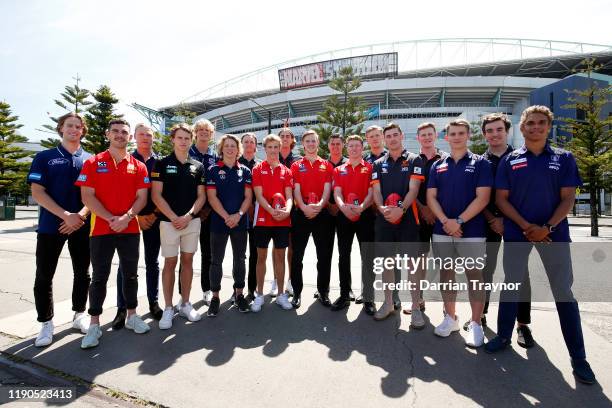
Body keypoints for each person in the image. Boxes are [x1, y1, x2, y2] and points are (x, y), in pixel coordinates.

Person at [485, 106, 596, 385]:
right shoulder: (511, 160)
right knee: (512, 284)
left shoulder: (564, 158)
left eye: (541, 123)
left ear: (548, 126)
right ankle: (503, 336)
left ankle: (579, 357)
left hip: (553, 234)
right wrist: (526, 227)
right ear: (522, 128)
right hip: (516, 232)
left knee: (563, 292)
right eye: (530, 123)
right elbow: (501, 200)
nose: (535, 127)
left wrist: (546, 228)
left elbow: (568, 198)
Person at [76, 119, 151, 349]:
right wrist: (111, 219)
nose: (120, 135)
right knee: (99, 277)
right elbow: (87, 197)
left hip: (129, 228)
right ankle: (95, 324)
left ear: (130, 137)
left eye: (124, 132)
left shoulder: (139, 166)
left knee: (130, 275)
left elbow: (142, 198)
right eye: (116, 132)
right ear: (108, 134)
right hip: (101, 229)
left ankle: (131, 316)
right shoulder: (93, 162)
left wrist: (126, 218)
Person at [28, 112, 92, 347]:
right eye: (69, 126)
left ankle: (79, 314)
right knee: (44, 275)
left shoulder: (91, 159)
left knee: (83, 273)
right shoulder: (44, 157)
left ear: (82, 131)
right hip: (50, 226)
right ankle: (46, 322)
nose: (74, 130)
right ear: (61, 129)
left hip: (81, 226)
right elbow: (37, 192)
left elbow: (94, 196)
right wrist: (66, 215)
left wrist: (80, 216)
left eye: (78, 126)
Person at [427, 119, 492, 347]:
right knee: (446, 274)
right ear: (447, 137)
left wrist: (460, 220)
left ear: (468, 135)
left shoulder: (481, 164)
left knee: (474, 276)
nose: (456, 137)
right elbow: (431, 198)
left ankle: (475, 323)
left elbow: (483, 197)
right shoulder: (438, 165)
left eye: (461, 133)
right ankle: (450, 318)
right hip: (442, 230)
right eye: (452, 133)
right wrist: (446, 221)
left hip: (471, 230)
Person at [477, 113, 532, 345]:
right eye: (489, 130)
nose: (494, 134)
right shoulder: (480, 161)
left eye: (499, 129)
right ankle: (480, 315)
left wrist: (511, 221)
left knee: (520, 274)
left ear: (507, 131)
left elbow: (526, 194)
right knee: (484, 272)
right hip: (488, 222)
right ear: (484, 134)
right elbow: (478, 196)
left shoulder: (522, 158)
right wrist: (492, 219)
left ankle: (523, 324)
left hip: (516, 224)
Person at [152, 124, 206, 329]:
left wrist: (189, 215)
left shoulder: (197, 166)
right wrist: (175, 217)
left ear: (190, 140)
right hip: (168, 222)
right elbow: (156, 195)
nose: (183, 141)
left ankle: (185, 303)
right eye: (180, 138)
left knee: (188, 261)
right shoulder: (162, 163)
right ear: (173, 139)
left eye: (186, 138)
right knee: (170, 263)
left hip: (191, 221)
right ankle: (168, 307)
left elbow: (201, 196)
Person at [371, 123, 424, 321]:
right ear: (385, 139)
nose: (392, 139)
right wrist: (383, 208)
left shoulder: (414, 159)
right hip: (385, 220)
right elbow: (376, 192)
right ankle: (388, 302)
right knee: (387, 264)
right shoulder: (378, 164)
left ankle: (416, 308)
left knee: (412, 265)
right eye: (389, 136)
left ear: (401, 136)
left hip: (408, 219)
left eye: (395, 135)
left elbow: (414, 189)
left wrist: (400, 209)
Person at [112, 124, 162, 330]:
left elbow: (165, 193)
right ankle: (122, 308)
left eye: (149, 135)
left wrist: (153, 215)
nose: (145, 138)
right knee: (126, 264)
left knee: (153, 262)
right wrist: (135, 216)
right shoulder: (126, 159)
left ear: (153, 138)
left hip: (154, 218)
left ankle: (153, 302)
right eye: (141, 134)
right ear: (135, 137)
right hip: (129, 218)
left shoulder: (160, 162)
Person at [206, 134, 253, 316]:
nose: (230, 148)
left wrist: (238, 215)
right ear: (221, 148)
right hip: (219, 222)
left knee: (240, 259)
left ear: (238, 149)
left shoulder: (245, 171)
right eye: (227, 145)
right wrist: (227, 216)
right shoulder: (212, 170)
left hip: (240, 222)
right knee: (216, 260)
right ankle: (215, 297)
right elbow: (211, 197)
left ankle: (239, 294)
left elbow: (248, 197)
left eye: (233, 145)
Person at [403, 122, 446, 318]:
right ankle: (417, 300)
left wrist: (435, 212)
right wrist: (423, 209)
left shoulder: (446, 159)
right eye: (423, 135)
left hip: (441, 219)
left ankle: (449, 307)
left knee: (446, 264)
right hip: (417, 219)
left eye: (430, 134)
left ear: (435, 135)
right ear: (418, 138)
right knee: (417, 262)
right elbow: (409, 189)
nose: (427, 137)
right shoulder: (411, 160)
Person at [290, 130, 335, 308]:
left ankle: (323, 292)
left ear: (318, 143)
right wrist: (304, 207)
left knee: (323, 256)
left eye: (313, 141)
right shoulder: (296, 165)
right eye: (307, 141)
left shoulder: (327, 165)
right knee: (297, 256)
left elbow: (327, 189)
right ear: (303, 144)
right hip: (301, 213)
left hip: (321, 214)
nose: (310, 144)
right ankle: (297, 292)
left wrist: (319, 206)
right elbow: (296, 190)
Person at [251, 134, 294, 312]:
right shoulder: (257, 169)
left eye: (276, 147)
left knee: (280, 257)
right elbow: (259, 196)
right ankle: (259, 295)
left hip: (282, 221)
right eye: (270, 147)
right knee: (261, 257)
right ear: (265, 149)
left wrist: (286, 211)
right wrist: (271, 211)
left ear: (280, 148)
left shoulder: (287, 171)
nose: (274, 151)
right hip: (263, 219)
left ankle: (281, 295)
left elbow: (289, 197)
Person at [331, 135, 373, 311]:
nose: (354, 149)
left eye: (357, 146)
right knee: (343, 256)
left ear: (362, 148)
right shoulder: (339, 169)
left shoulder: (370, 168)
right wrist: (343, 208)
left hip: (365, 215)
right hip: (344, 216)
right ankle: (344, 294)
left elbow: (372, 192)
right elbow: (337, 193)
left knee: (367, 257)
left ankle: (369, 297)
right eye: (351, 146)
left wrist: (361, 207)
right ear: (347, 148)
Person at [184, 119, 217, 305]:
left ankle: (206, 289)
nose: (204, 132)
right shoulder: (187, 152)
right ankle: (184, 295)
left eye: (207, 130)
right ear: (195, 132)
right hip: (188, 211)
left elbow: (217, 186)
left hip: (209, 213)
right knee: (186, 255)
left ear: (211, 134)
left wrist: (208, 208)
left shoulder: (215, 156)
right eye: (200, 130)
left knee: (208, 253)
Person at [355, 125, 387, 312]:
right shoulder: (364, 161)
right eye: (370, 136)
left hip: (388, 216)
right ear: (367, 140)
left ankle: (392, 296)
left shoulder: (391, 158)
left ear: (382, 137)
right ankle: (368, 295)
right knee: (367, 257)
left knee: (389, 257)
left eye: (377, 136)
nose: (374, 139)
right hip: (368, 216)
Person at [326, 134, 354, 302]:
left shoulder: (349, 162)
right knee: (325, 253)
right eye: (333, 144)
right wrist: (330, 205)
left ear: (343, 146)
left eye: (338, 144)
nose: (335, 146)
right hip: (327, 212)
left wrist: (341, 206)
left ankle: (347, 289)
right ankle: (324, 288)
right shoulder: (323, 164)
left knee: (345, 253)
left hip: (345, 213)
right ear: (328, 146)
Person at [275, 127, 301, 296]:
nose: (285, 138)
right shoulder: (272, 158)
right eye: (282, 136)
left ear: (292, 140)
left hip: (293, 209)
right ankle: (277, 281)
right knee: (276, 247)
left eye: (287, 136)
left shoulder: (297, 161)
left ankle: (291, 280)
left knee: (291, 246)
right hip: (274, 208)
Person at [239, 133, 261, 301]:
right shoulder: (235, 163)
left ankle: (251, 289)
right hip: (238, 214)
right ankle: (237, 289)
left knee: (255, 254)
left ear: (255, 146)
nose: (248, 144)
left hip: (256, 216)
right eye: (245, 142)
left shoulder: (260, 166)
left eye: (251, 142)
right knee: (239, 255)